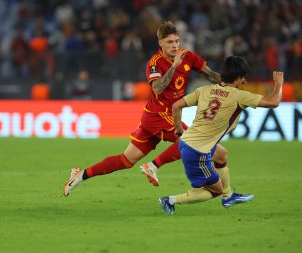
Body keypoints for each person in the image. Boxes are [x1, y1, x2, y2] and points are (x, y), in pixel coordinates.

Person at [63, 22, 251, 208]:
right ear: (160, 43)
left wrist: (229, 84)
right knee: (189, 143)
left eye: (177, 41)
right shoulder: (154, 63)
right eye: (170, 42)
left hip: (165, 116)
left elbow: (210, 75)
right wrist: (173, 66)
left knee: (126, 160)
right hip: (157, 116)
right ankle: (154, 166)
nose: (175, 45)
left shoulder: (187, 56)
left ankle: (81, 174)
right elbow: (158, 88)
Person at [159, 56, 284, 215]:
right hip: (198, 153)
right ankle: (170, 200)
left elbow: (176, 106)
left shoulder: (204, 90)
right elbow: (274, 102)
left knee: (221, 155)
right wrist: (278, 83)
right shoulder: (239, 96)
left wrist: (178, 129)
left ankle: (229, 196)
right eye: (242, 77)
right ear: (238, 78)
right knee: (214, 190)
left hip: (189, 142)